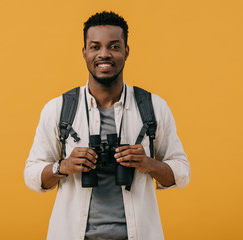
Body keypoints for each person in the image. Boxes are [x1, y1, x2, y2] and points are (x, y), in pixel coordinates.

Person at [24, 11, 190, 240]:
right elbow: (32, 175)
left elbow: (181, 173)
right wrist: (63, 166)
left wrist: (147, 163)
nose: (104, 54)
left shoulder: (153, 107)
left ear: (126, 51)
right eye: (95, 47)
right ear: (84, 53)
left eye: (113, 46)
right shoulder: (59, 109)